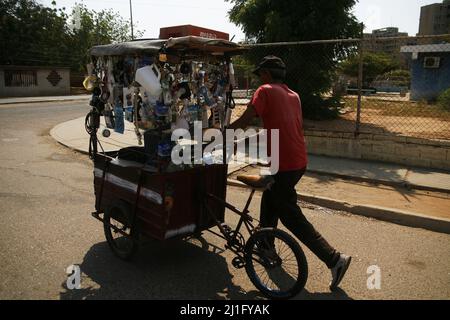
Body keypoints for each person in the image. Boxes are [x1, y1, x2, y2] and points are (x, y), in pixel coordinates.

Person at [228, 55, 351, 291]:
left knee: (291, 217)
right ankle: (265, 246)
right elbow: (283, 125)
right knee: (270, 200)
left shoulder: (264, 90)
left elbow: (245, 120)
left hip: (282, 164)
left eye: (259, 74)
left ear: (265, 74)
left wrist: (223, 132)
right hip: (298, 162)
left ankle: (335, 259)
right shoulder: (293, 95)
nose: (259, 78)